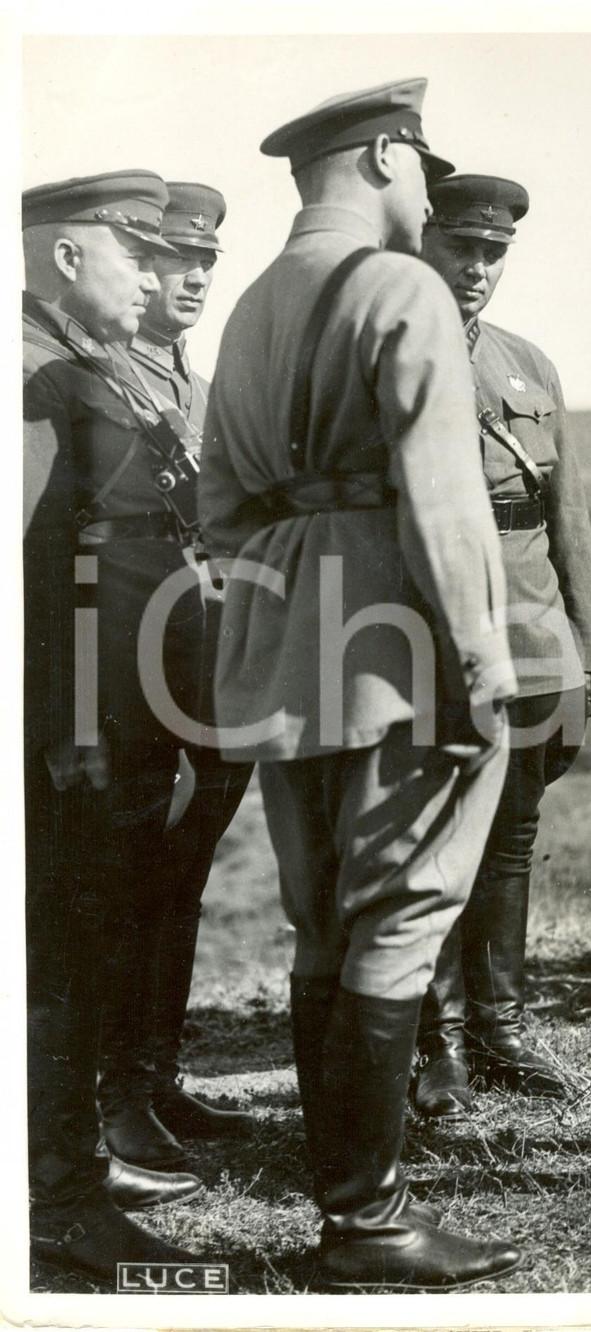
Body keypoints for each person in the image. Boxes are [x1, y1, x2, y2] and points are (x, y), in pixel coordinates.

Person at [197, 78, 523, 1289]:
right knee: (405, 912)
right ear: (386, 154)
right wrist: (484, 659)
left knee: (323, 918)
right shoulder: (405, 288)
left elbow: (222, 515)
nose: (429, 188)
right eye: (422, 165)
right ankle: (367, 1223)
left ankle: (344, 1196)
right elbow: (442, 499)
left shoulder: (243, 310)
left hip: (285, 653)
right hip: (402, 653)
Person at [23, 169, 204, 1280]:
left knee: (85, 949)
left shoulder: (81, 369)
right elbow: (32, 572)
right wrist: (70, 727)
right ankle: (57, 1197)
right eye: (133, 250)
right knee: (60, 957)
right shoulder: (33, 378)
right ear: (65, 258)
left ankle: (68, 1161)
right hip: (74, 728)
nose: (155, 271)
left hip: (116, 713)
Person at [412, 174, 591, 1117]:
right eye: (463, 249)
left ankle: (501, 1028)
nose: (479, 268)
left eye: (494, 254)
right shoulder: (389, 355)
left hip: (533, 638)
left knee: (513, 842)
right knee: (439, 841)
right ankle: (438, 1042)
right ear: (424, 241)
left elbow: (568, 520)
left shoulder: (528, 364)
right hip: (430, 643)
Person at [94, 183, 255, 1173]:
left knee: (181, 878)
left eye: (204, 263)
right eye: (169, 260)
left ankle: (154, 1081)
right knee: (128, 882)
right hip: (131, 672)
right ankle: (116, 1098)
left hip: (207, 665)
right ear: (131, 267)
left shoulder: (188, 385)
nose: (191, 277)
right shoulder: (97, 382)